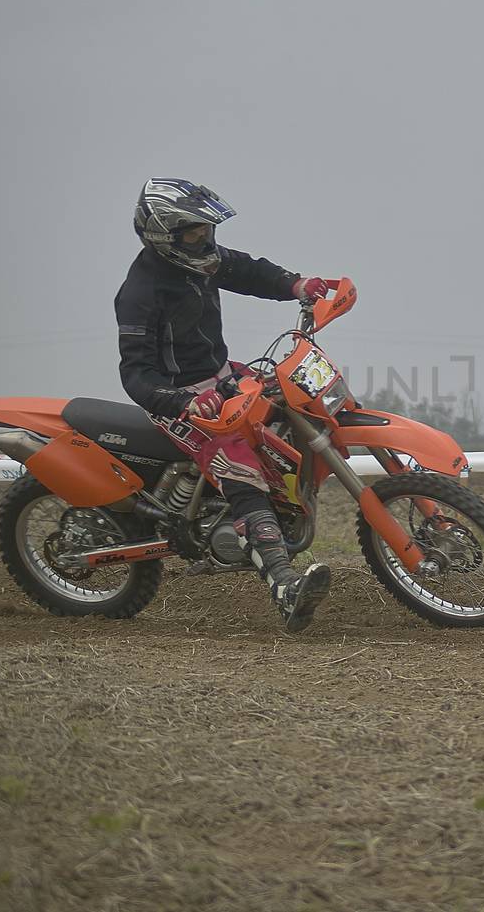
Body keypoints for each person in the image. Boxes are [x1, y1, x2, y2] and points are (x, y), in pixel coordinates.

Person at [115, 177, 332, 632]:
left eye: (207, 229)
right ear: (164, 234)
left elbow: (247, 270)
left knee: (294, 402)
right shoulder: (140, 293)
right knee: (242, 473)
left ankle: (279, 511)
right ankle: (285, 586)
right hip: (181, 399)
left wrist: (298, 284)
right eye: (195, 232)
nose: (206, 239)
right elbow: (135, 376)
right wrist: (182, 405)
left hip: (224, 376)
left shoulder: (201, 262)